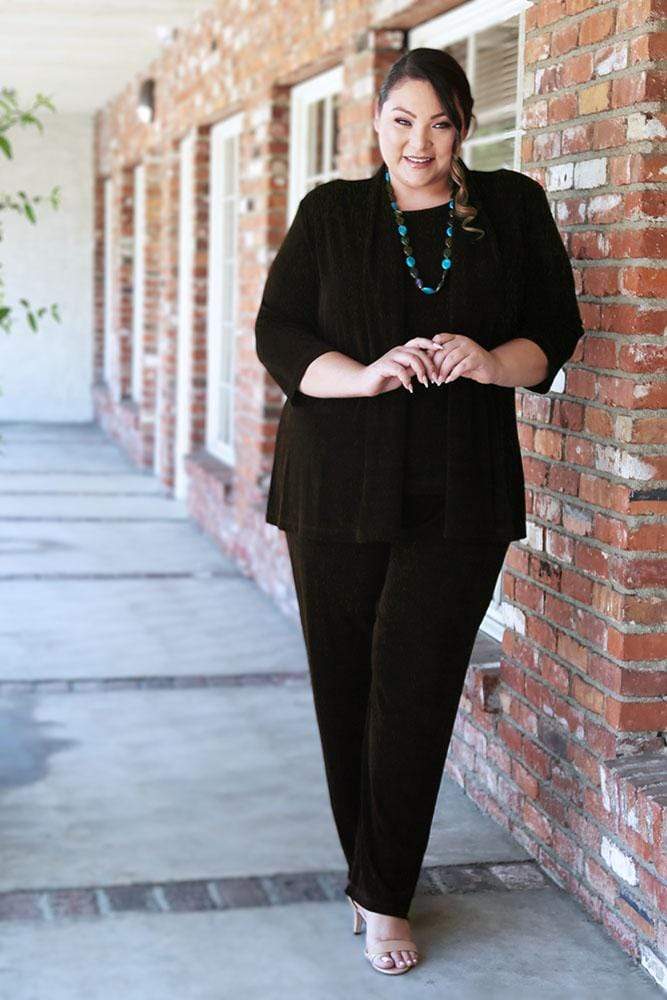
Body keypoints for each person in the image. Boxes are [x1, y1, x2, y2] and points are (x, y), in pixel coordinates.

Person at [254, 47, 585, 976]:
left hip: (460, 487)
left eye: (438, 123)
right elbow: (277, 331)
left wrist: (490, 361)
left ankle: (384, 897)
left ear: (464, 127)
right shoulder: (330, 215)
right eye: (401, 120)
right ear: (375, 122)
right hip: (334, 485)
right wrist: (359, 378)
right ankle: (371, 880)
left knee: (415, 686)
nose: (418, 142)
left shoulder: (511, 209)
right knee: (347, 687)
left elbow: (555, 328)